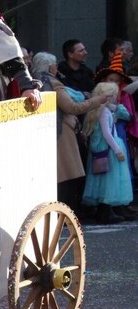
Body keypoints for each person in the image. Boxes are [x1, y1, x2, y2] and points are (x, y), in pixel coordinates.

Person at [29, 52, 107, 216]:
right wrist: (96, 101)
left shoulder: (32, 81)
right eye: (55, 65)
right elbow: (72, 107)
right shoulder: (53, 82)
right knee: (66, 177)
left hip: (44, 130)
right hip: (62, 132)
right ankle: (65, 214)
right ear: (51, 67)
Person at [82, 82, 133, 224]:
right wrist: (117, 150)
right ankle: (106, 211)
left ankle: (103, 211)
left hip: (101, 149)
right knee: (109, 181)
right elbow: (107, 133)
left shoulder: (98, 110)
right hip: (109, 148)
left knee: (102, 180)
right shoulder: (104, 112)